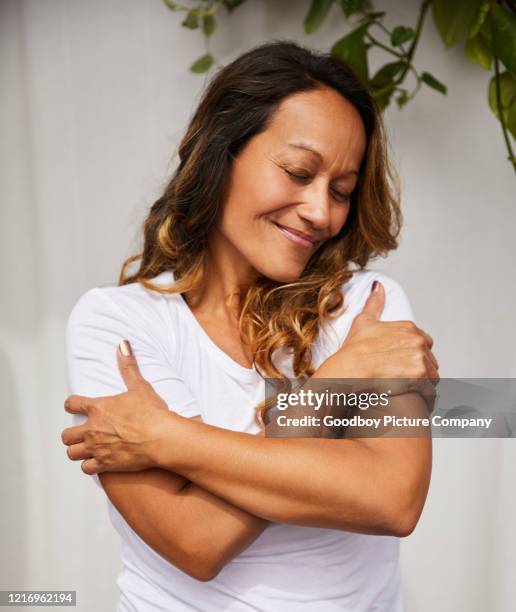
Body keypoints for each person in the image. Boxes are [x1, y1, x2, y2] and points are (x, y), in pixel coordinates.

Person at [61, 40, 438, 611]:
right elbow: (195, 540)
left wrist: (165, 438)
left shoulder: (368, 307)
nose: (321, 212)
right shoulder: (116, 323)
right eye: (297, 172)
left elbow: (392, 499)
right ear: (221, 155)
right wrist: (332, 394)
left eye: (341, 191)